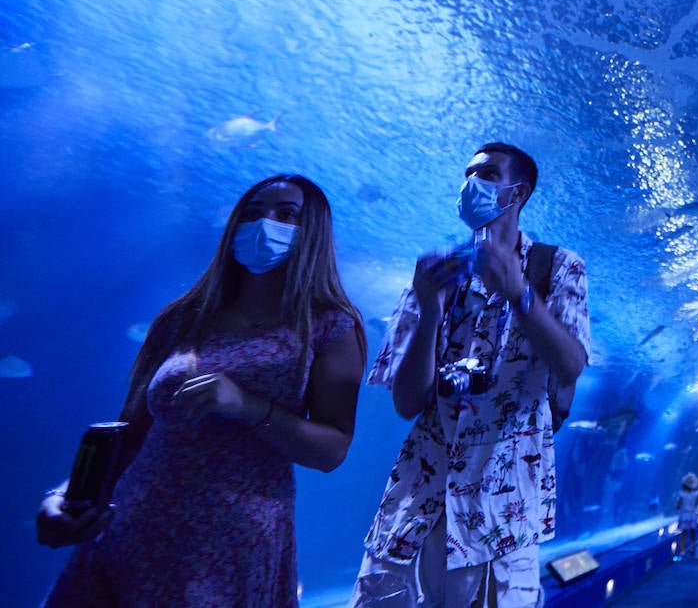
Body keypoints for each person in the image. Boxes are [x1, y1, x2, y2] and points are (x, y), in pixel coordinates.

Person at [36, 174, 366, 605]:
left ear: (314, 232)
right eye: (251, 213)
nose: (265, 223)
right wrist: (65, 496)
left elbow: (332, 449)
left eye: (287, 215)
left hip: (228, 549)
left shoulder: (330, 325)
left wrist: (247, 405)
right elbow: (129, 435)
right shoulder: (182, 319)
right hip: (129, 529)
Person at [352, 142, 590, 608]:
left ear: (516, 193)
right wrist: (428, 313)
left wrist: (518, 293)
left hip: (501, 524)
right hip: (414, 510)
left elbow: (570, 365)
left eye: (486, 174)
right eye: (468, 173)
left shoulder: (558, 267)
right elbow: (407, 403)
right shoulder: (434, 274)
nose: (470, 185)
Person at [675, 471, 698, 558]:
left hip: (684, 515)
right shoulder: (696, 494)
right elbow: (697, 504)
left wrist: (677, 506)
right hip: (693, 514)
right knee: (693, 532)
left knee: (684, 533)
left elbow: (678, 505)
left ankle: (682, 550)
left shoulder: (681, 494)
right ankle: (692, 547)